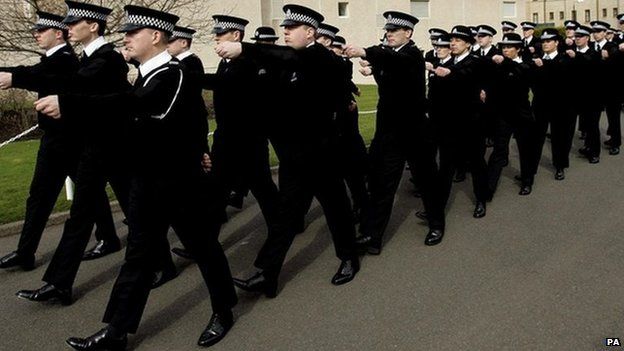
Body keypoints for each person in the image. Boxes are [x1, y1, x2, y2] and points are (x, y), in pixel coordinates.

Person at [35, 6, 238, 349]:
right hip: (147, 181)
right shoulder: (145, 73)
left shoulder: (173, 74)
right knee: (138, 255)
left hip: (179, 183)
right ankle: (116, 332)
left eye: (132, 34)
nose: (124, 39)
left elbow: (141, 105)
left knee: (204, 248)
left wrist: (70, 104)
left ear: (155, 36)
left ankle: (224, 309)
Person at [216, 4, 360, 296]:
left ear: (310, 32)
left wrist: (243, 47)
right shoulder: (289, 62)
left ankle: (349, 258)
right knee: (285, 217)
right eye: (284, 28)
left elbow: (284, 56)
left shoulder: (322, 59)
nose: (284, 32)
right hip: (295, 156)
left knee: (336, 209)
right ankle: (266, 274)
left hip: (322, 154)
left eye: (291, 28)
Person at [16, 0, 132, 305]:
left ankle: (164, 263)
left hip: (115, 149)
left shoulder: (107, 59)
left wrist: (19, 79)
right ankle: (60, 283)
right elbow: (71, 84)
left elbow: (75, 85)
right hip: (94, 148)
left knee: (136, 211)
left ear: (92, 26)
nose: (66, 29)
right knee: (79, 216)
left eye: (72, 24)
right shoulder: (89, 57)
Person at [0, 11, 118, 270]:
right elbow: (33, 71)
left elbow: (44, 77)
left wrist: (15, 78)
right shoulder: (57, 59)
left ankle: (108, 239)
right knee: (47, 195)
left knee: (81, 194)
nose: (36, 35)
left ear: (58, 33)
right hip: (57, 138)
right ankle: (26, 252)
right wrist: (12, 74)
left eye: (41, 31)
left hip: (69, 139)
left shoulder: (65, 60)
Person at [345, 11, 443, 249]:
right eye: (387, 30)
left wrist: (365, 53)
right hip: (391, 134)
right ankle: (373, 236)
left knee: (426, 180)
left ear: (407, 33)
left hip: (416, 132)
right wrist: (371, 69)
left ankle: (437, 224)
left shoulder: (412, 56)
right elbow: (386, 69)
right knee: (383, 185)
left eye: (393, 31)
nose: (388, 34)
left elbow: (394, 61)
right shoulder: (388, 57)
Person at [200, 14, 280, 258]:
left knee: (264, 190)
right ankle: (204, 243)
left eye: (220, 35)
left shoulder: (246, 62)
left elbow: (223, 84)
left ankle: (283, 228)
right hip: (227, 140)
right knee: (217, 191)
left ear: (236, 37)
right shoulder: (227, 63)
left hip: (247, 142)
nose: (216, 39)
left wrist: (182, 73)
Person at [432, 25, 489, 219]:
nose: (453, 43)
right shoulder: (448, 63)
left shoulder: (474, 62)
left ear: (468, 44)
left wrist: (447, 73)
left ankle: (481, 200)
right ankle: (437, 207)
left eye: (457, 40)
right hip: (450, 125)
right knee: (445, 167)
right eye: (452, 40)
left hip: (472, 124)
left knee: (477, 163)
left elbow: (464, 74)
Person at [486, 33, 536, 197]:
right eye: (503, 47)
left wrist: (505, 62)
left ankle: (527, 181)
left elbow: (521, 72)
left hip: (522, 115)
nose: (505, 50)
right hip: (503, 115)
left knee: (525, 149)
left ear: (519, 49)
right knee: (499, 151)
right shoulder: (497, 65)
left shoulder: (526, 65)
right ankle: (488, 189)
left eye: (509, 47)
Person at [532, 28, 575, 181]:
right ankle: (530, 169)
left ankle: (560, 166)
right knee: (536, 138)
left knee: (559, 137)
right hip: (541, 105)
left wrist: (542, 67)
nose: (545, 44)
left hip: (560, 106)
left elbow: (563, 80)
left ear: (557, 43)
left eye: (548, 41)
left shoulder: (565, 59)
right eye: (543, 41)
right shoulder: (536, 60)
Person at [569, 25, 602, 164]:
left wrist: (576, 56)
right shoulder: (570, 52)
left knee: (592, 125)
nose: (577, 39)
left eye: (580, 37)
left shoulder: (593, 53)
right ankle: (587, 147)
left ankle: (594, 152)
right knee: (580, 124)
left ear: (587, 38)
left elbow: (589, 63)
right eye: (576, 36)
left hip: (591, 96)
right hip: (575, 96)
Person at [591, 21, 622, 156]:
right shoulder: (592, 47)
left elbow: (618, 68)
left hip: (610, 89)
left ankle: (615, 143)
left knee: (613, 117)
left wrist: (607, 59)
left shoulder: (612, 47)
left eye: (599, 32)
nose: (596, 34)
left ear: (605, 33)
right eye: (594, 32)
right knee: (592, 118)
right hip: (595, 89)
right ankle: (590, 145)